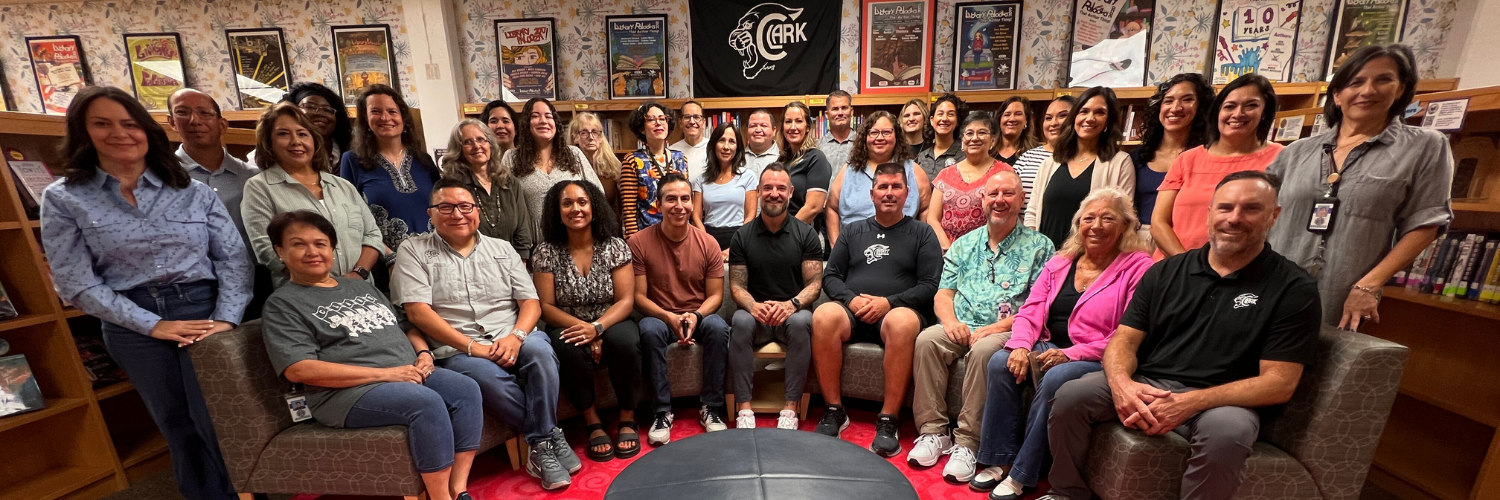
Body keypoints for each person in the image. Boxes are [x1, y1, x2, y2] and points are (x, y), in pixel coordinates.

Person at [1044, 171, 1321, 500]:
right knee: (1070, 395)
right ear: (1209, 213)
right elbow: (1123, 340)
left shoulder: (1293, 287)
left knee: (1228, 434)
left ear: (1273, 215)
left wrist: (1190, 403)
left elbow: (1279, 382)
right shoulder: (1166, 271)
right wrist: (1121, 385)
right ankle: (1066, 492)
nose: (1234, 218)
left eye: (1251, 209)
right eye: (1225, 208)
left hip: (1223, 400)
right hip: (1149, 381)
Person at [40, 86, 250, 500]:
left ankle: (245, 493)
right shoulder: (64, 199)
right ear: (83, 131)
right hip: (131, 321)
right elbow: (75, 282)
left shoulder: (193, 191)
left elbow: (234, 261)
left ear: (147, 131)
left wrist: (226, 319)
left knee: (220, 417)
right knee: (177, 421)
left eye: (129, 123)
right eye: (102, 123)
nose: (119, 133)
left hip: (204, 310)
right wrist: (153, 325)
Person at [260, 210, 480, 500]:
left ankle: (458, 488)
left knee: (466, 389)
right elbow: (299, 369)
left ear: (332, 249)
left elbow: (405, 325)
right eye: (299, 244)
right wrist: (388, 375)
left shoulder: (359, 286)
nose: (312, 252)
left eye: (320, 243)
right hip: (347, 393)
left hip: (407, 375)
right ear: (280, 251)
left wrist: (424, 352)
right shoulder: (282, 304)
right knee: (425, 403)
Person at [392, 180, 575, 490]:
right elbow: (417, 312)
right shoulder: (414, 250)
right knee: (485, 378)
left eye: (465, 207)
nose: (458, 214)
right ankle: (546, 437)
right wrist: (472, 346)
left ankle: (540, 440)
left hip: (510, 333)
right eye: (446, 208)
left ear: (477, 211)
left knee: (541, 353)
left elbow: (530, 302)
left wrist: (517, 335)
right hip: (456, 348)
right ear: (431, 214)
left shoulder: (501, 249)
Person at [978, 188, 1153, 500]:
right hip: (1049, 345)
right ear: (1078, 225)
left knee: (1057, 377)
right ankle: (998, 459)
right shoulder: (1061, 263)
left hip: (1097, 356)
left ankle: (1022, 473)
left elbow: (1128, 333)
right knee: (999, 361)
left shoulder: (1138, 267)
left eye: (1108, 218)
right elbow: (1031, 309)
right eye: (1089, 218)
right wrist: (1019, 345)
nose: (1096, 225)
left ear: (1126, 226)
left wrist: (1072, 353)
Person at [1267, 44, 1452, 330]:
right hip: (1273, 287)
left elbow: (1426, 222)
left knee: (1322, 369)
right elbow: (1261, 213)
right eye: (1356, 82)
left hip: (1343, 294)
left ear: (1401, 88)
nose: (1368, 91)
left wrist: (1369, 286)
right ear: (1337, 95)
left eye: (1383, 80)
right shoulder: (1295, 152)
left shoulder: (1425, 146)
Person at [907, 171, 1053, 484]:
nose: (1000, 200)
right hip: (962, 324)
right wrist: (950, 321)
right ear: (983, 200)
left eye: (1008, 194)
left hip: (1009, 329)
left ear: (1021, 199)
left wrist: (995, 328)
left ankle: (967, 444)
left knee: (985, 351)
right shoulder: (963, 244)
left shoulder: (1040, 247)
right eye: (993, 194)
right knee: (927, 340)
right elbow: (944, 293)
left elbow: (1038, 306)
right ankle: (933, 433)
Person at [812, 162, 942, 457]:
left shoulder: (922, 233)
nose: (889, 193)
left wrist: (889, 302)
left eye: (896, 187)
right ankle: (834, 410)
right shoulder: (852, 231)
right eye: (882, 187)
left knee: (901, 322)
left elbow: (930, 284)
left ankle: (888, 419)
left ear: (907, 193)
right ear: (872, 194)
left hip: (898, 313)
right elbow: (831, 276)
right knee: (824, 315)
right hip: (853, 312)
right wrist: (851, 299)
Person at [532, 180, 642, 462]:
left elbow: (626, 300)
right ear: (556, 211)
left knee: (626, 342)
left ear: (594, 206)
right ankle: (592, 421)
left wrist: (597, 328)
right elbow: (545, 306)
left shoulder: (614, 245)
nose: (575, 209)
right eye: (567, 203)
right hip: (566, 321)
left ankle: (627, 417)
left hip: (613, 319)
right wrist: (582, 329)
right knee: (566, 346)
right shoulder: (546, 251)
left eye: (582, 202)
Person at [631, 173, 731, 445]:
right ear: (658, 204)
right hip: (659, 316)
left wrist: (696, 316)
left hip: (698, 313)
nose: (679, 205)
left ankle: (711, 406)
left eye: (685, 198)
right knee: (648, 330)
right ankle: (661, 411)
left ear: (692, 203)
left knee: (719, 327)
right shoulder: (639, 242)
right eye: (671, 199)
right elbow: (638, 297)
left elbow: (716, 297)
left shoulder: (708, 243)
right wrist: (669, 317)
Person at [244, 103, 384, 288]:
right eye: (283, 134)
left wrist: (359, 274)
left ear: (314, 140)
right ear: (269, 143)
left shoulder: (342, 186)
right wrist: (323, 284)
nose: (296, 141)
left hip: (361, 289)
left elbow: (372, 234)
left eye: (302, 134)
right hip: (304, 296)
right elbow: (265, 249)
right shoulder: (259, 188)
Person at [727, 163, 823, 430]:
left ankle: (790, 408)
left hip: (791, 317)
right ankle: (744, 408)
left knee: (803, 321)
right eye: (768, 187)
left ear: (790, 192)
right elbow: (736, 286)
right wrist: (753, 306)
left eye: (781, 188)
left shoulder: (806, 234)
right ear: (758, 191)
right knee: (741, 320)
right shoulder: (742, 236)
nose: (774, 193)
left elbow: (815, 284)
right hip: (756, 318)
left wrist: (791, 305)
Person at [1153, 74, 1284, 259]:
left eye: (1251, 105)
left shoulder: (1281, 159)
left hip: (1243, 274)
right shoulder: (1187, 159)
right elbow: (1159, 223)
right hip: (1175, 268)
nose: (1238, 114)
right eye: (1229, 106)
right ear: (1217, 112)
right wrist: (1188, 266)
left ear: (1265, 112)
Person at [1025, 87, 1135, 249]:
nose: (1090, 118)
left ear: (1108, 122)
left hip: (1091, 260)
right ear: (1074, 117)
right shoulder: (1050, 163)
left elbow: (1123, 217)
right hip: (1046, 259)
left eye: (1099, 113)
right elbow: (1032, 213)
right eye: (1084, 111)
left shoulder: (1120, 163)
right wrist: (1035, 249)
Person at [339, 84, 440, 255]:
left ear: (403, 118)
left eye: (392, 111)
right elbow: (352, 219)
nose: (385, 118)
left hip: (434, 256)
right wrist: (390, 258)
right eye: (376, 111)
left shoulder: (424, 160)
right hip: (384, 262)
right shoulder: (352, 161)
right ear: (365, 119)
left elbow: (442, 208)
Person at [168, 88, 261, 247]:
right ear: (172, 122)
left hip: (253, 268)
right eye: (182, 112)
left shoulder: (252, 177)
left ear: (222, 124)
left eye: (205, 113)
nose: (194, 120)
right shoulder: (162, 177)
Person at [826, 111, 930, 248]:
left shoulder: (914, 171)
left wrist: (923, 246)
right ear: (865, 137)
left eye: (886, 132)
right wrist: (836, 246)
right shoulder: (848, 171)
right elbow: (831, 208)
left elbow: (926, 209)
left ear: (897, 136)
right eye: (874, 133)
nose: (880, 138)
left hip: (903, 249)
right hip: (855, 251)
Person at [438, 119, 534, 260]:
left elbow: (522, 229)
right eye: (467, 142)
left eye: (481, 139)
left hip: (512, 264)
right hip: (470, 265)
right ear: (459, 150)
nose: (476, 146)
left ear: (490, 144)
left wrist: (520, 264)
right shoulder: (453, 186)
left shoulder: (509, 181)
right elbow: (452, 234)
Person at [1133, 74, 1214, 239]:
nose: (1176, 108)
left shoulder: (1208, 156)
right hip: (1140, 243)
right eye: (1168, 101)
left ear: (1201, 107)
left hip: (1189, 240)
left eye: (1187, 99)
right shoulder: (1137, 158)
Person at [924, 112, 1015, 251]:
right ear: (962, 140)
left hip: (987, 250)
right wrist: (948, 249)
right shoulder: (945, 174)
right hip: (948, 252)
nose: (974, 138)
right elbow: (932, 218)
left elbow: (1010, 216)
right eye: (969, 133)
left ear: (993, 140)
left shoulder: (1004, 172)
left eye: (982, 132)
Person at [506, 98, 603, 226]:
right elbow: (505, 204)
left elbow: (598, 194)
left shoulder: (574, 154)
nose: (543, 121)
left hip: (575, 239)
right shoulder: (512, 157)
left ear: (555, 122)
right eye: (535, 116)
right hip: (530, 242)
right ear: (526, 123)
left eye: (548, 116)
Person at [620, 101, 689, 237]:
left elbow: (686, 201)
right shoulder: (632, 161)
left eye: (662, 118)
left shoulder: (680, 158)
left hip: (679, 234)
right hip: (647, 238)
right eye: (651, 119)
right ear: (641, 128)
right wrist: (633, 245)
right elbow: (629, 212)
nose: (658, 123)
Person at [247, 82, 353, 167]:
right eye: (309, 107)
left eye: (327, 109)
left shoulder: (350, 151)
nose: (319, 113)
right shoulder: (268, 154)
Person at [692, 122, 757, 251]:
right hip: (707, 237)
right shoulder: (701, 180)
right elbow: (695, 217)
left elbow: (751, 215)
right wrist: (708, 243)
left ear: (737, 147)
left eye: (732, 141)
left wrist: (735, 245)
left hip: (738, 236)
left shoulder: (748, 176)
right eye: (722, 140)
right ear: (714, 144)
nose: (726, 147)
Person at [777, 100, 833, 230]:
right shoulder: (781, 161)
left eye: (798, 121)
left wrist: (785, 232)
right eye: (788, 121)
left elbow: (814, 207)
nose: (793, 127)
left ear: (808, 127)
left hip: (802, 235)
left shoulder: (816, 158)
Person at [1012, 96, 1076, 197]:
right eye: (1048, 118)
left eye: (1062, 116)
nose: (1053, 123)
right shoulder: (1027, 157)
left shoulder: (1082, 159)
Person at [569, 111, 621, 208]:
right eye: (584, 133)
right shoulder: (567, 168)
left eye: (595, 132)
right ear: (575, 138)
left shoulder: (614, 168)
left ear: (601, 137)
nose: (591, 137)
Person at [918, 93, 967, 179]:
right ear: (932, 120)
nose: (944, 119)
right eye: (940, 114)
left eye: (951, 114)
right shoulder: (922, 156)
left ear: (958, 121)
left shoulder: (965, 154)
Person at [992, 96, 1039, 167]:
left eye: (1018, 114)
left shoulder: (1036, 153)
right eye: (1007, 114)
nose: (1012, 119)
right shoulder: (987, 150)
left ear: (1026, 121)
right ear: (999, 120)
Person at [817, 90, 857, 170]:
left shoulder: (863, 144)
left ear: (851, 111)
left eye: (844, 108)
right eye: (835, 109)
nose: (840, 113)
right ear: (827, 115)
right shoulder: (817, 147)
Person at [671, 100, 710, 180]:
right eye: (687, 117)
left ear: (703, 123)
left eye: (696, 117)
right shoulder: (671, 151)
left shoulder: (714, 148)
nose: (692, 121)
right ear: (680, 123)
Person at [742, 109, 781, 175]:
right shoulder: (737, 158)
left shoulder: (783, 158)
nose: (758, 130)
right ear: (746, 131)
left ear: (774, 131)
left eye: (764, 125)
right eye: (753, 125)